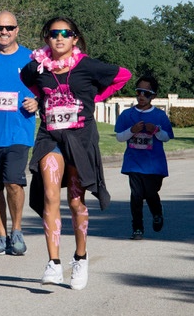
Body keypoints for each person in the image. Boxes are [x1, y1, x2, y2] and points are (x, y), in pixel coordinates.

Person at [20, 16, 131, 290]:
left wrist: (96, 97)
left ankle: (80, 257)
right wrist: (42, 99)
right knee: (49, 193)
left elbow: (123, 76)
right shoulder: (38, 67)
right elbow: (25, 78)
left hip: (80, 138)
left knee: (75, 201)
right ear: (46, 38)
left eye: (65, 33)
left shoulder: (87, 66)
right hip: (50, 137)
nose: (59, 38)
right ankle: (53, 263)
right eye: (53, 33)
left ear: (75, 39)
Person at [0, 11, 37, 256]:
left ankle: (18, 231)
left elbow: (46, 88)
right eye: (0, 27)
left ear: (17, 30)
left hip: (19, 132)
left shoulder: (32, 58)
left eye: (9, 28)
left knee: (13, 182)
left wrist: (38, 101)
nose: (4, 32)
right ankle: (2, 236)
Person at [114, 75, 173, 240]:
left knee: (151, 193)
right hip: (134, 163)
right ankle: (137, 228)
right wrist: (132, 130)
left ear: (153, 96)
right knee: (136, 195)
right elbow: (120, 137)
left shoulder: (159, 116)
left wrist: (155, 130)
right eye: (138, 92)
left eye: (146, 93)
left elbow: (166, 137)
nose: (141, 96)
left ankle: (157, 213)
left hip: (154, 164)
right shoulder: (127, 115)